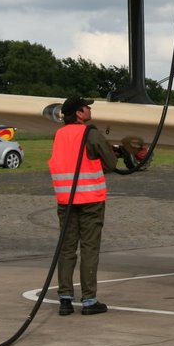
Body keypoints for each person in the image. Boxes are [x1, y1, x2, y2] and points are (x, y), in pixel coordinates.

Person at [49, 97, 117, 316]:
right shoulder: (90, 133)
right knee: (89, 248)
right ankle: (89, 300)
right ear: (79, 113)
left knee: (67, 249)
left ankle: (65, 300)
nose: (89, 109)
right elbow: (111, 164)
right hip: (90, 200)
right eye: (87, 107)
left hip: (65, 201)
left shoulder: (59, 134)